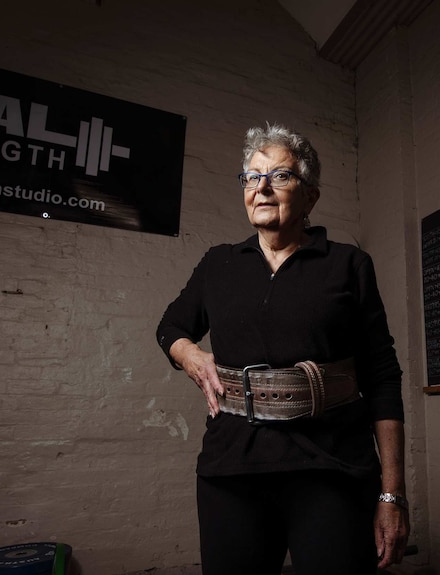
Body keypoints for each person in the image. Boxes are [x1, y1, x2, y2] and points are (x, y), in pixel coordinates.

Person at [156, 123, 408, 575]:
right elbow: (170, 327)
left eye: (280, 176)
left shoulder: (348, 265)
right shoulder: (219, 264)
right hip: (231, 468)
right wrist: (190, 355)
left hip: (332, 468)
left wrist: (392, 495)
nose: (263, 188)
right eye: (252, 177)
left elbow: (383, 376)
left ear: (310, 196)